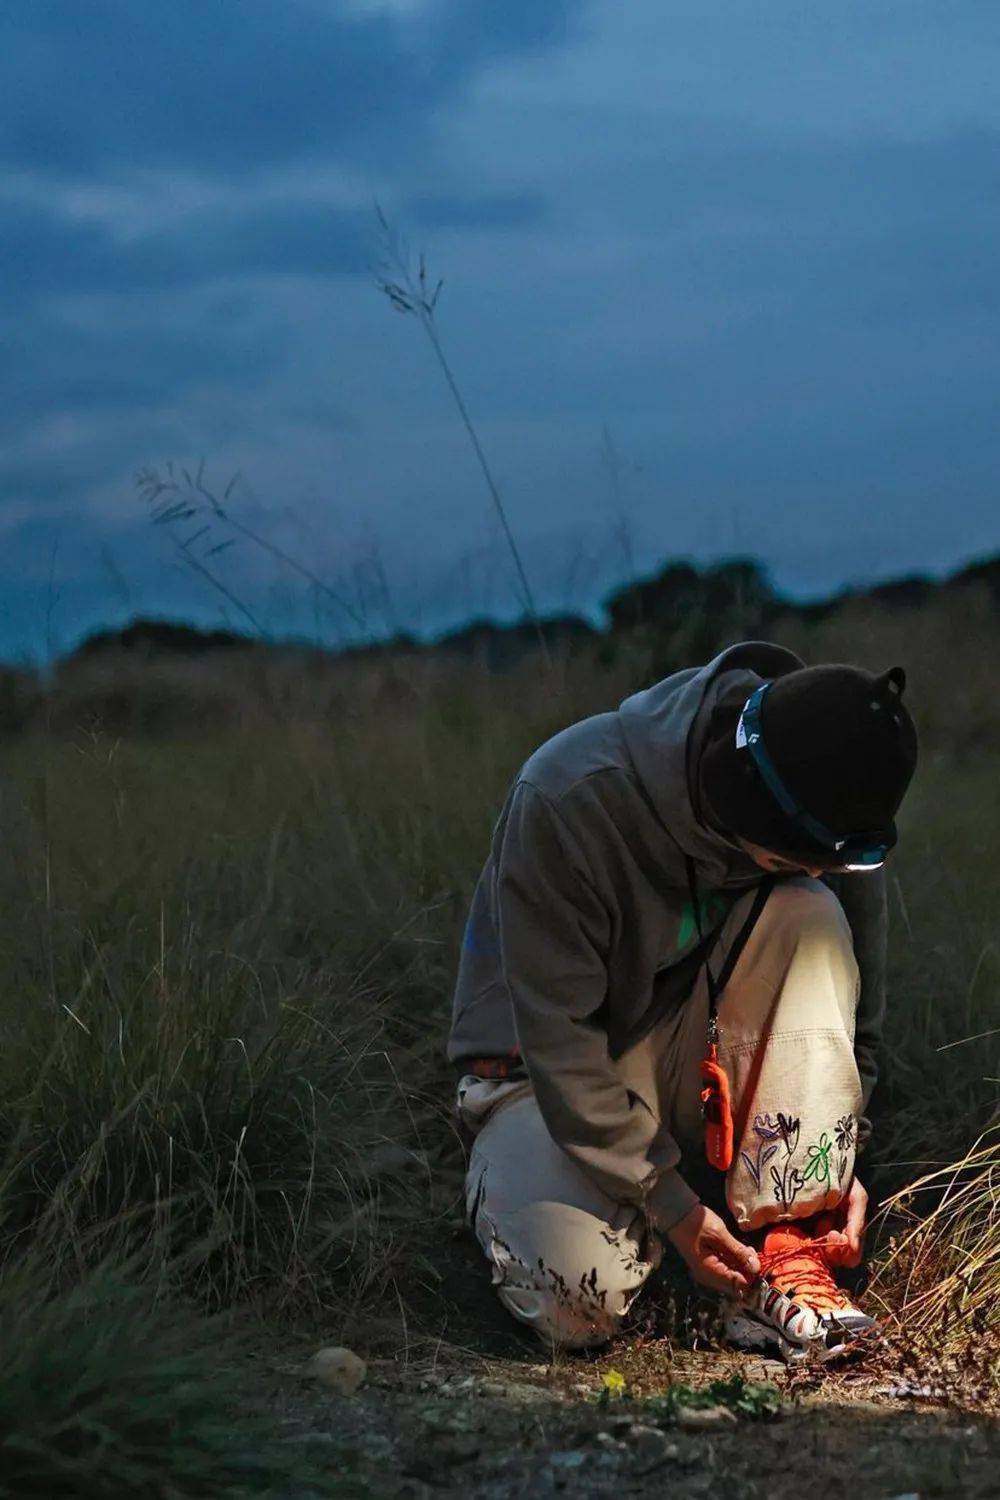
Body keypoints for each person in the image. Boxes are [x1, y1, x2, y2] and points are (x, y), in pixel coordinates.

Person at [447, 641, 918, 1360]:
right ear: (741, 811)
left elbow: (858, 1034)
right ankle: (607, 1213)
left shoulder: (831, 809)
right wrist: (669, 1204)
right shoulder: (570, 800)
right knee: (573, 1301)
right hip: (541, 1080)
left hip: (692, 1052)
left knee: (811, 915)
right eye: (794, 858)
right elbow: (562, 1046)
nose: (825, 870)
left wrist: (844, 1159)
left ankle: (785, 1247)